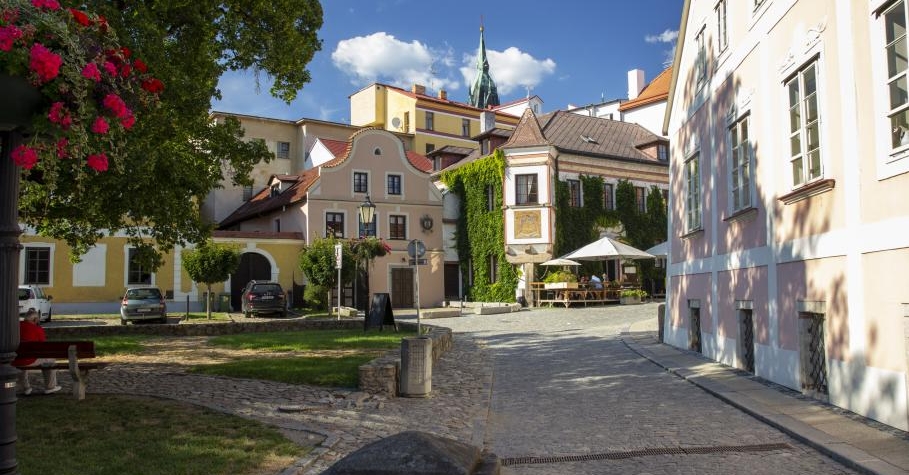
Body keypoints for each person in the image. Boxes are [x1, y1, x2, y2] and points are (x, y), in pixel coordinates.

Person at [13, 309, 60, 395]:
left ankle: (26, 388)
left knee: (21, 362)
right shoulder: (37, 329)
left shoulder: (16, 327)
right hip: (30, 360)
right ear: (35, 320)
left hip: (15, 359)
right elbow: (43, 346)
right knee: (51, 360)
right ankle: (50, 387)